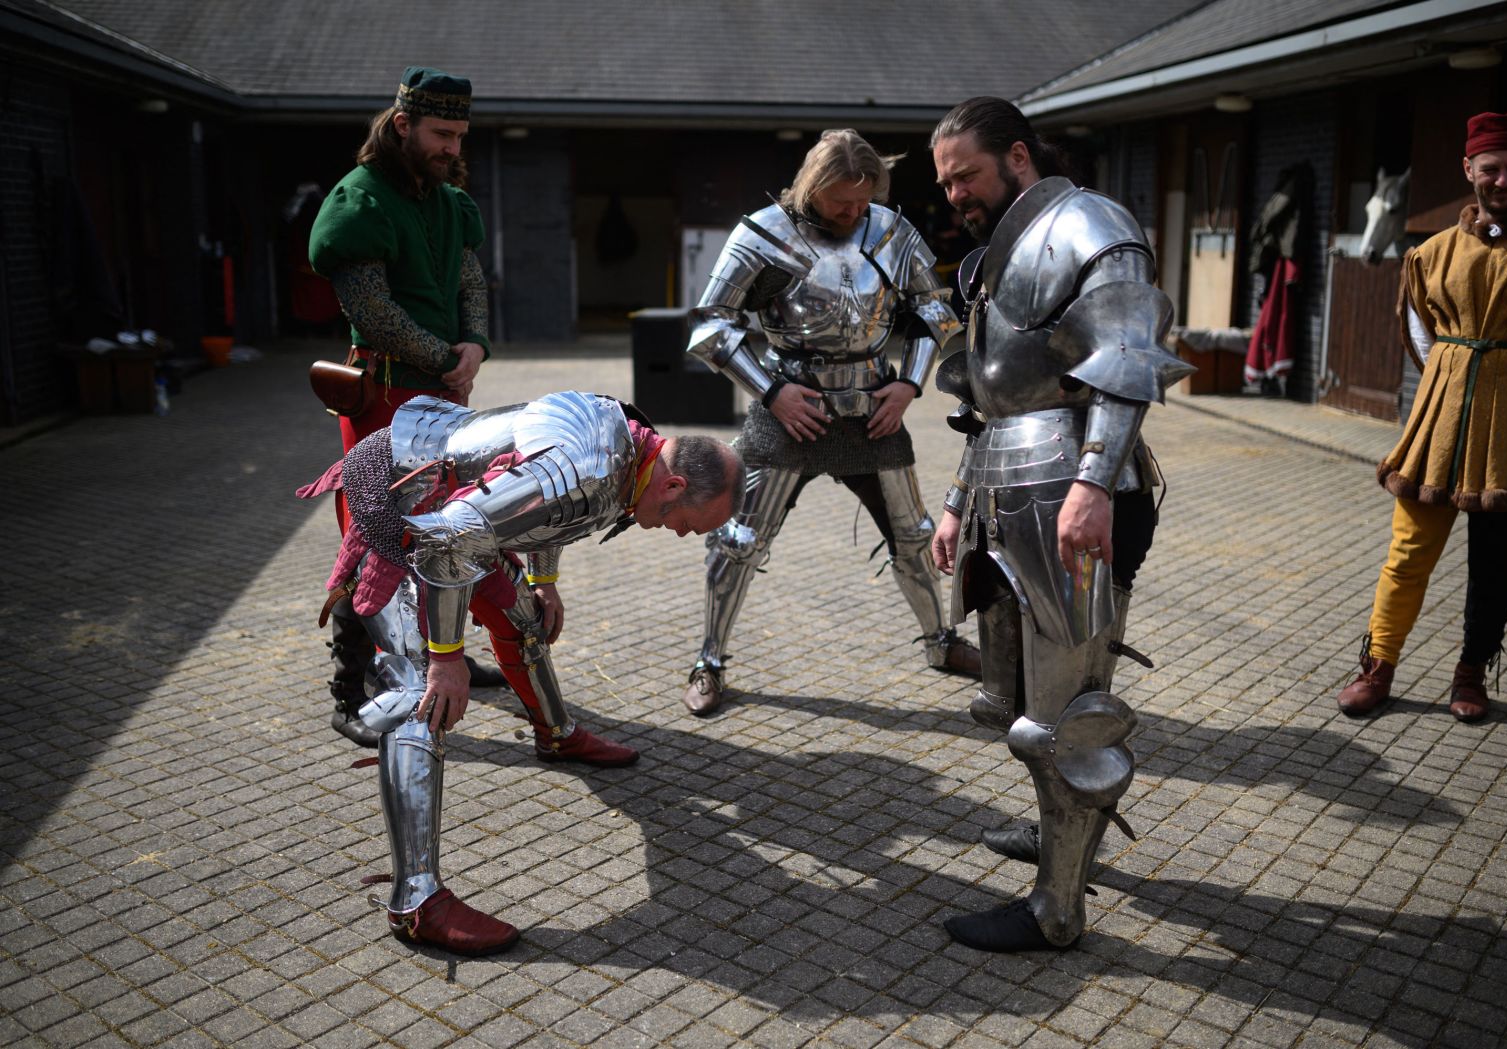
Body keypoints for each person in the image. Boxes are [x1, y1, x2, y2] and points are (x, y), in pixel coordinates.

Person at [298, 390, 744, 955]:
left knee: (526, 621)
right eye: (687, 523)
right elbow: (446, 538)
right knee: (420, 695)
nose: (680, 533)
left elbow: (545, 514)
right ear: (675, 486)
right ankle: (415, 900)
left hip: (455, 512)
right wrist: (446, 657)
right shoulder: (594, 463)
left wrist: (544, 581)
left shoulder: (634, 454)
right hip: (401, 505)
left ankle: (556, 736)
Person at [928, 98, 1192, 952]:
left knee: (1068, 712)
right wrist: (956, 503)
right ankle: (1057, 836)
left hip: (1076, 488)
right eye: (944, 181)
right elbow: (987, 398)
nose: (954, 193)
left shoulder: (1093, 222)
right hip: (1010, 485)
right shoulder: (991, 257)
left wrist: (1094, 483)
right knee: (1012, 701)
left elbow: (1128, 361)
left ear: (1016, 155)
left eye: (965, 173)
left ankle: (1057, 909)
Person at [681, 129, 979, 717]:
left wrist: (910, 383)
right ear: (813, 188)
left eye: (863, 201)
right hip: (790, 410)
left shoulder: (891, 231)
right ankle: (709, 661)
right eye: (842, 201)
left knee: (915, 537)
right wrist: (771, 393)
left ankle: (940, 643)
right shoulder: (763, 234)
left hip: (874, 406)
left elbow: (933, 311)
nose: (854, 212)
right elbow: (712, 326)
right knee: (738, 541)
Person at [1336, 111, 1507, 723]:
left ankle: (1471, 673)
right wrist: (1455, 376)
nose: (1502, 180)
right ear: (1468, 170)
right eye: (1490, 168)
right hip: (1440, 422)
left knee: (1496, 559)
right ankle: (1378, 666)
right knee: (1409, 550)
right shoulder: (1433, 252)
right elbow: (1420, 331)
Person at [308, 66, 503, 744]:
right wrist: (447, 358)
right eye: (441, 134)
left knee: (448, 527)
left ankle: (439, 652)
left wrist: (473, 343)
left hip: (442, 391)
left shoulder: (450, 202)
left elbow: (471, 281)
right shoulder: (358, 202)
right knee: (374, 535)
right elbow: (373, 312)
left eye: (461, 135)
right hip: (384, 397)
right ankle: (347, 686)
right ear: (402, 127)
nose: (454, 148)